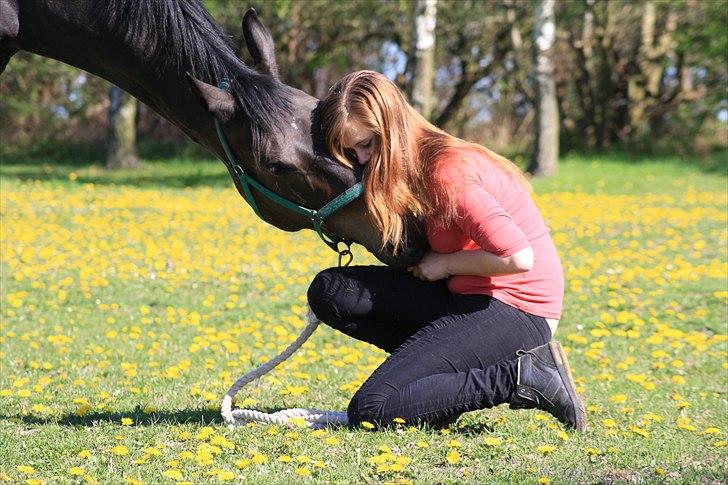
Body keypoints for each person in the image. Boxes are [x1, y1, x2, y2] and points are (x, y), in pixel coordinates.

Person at [307, 70, 586, 431]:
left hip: (519, 310)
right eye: (351, 150)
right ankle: (435, 396)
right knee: (331, 293)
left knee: (372, 409)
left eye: (368, 144)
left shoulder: (446, 172)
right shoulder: (412, 166)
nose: (361, 159)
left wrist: (446, 264)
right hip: (464, 297)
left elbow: (518, 257)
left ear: (393, 128)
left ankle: (523, 378)